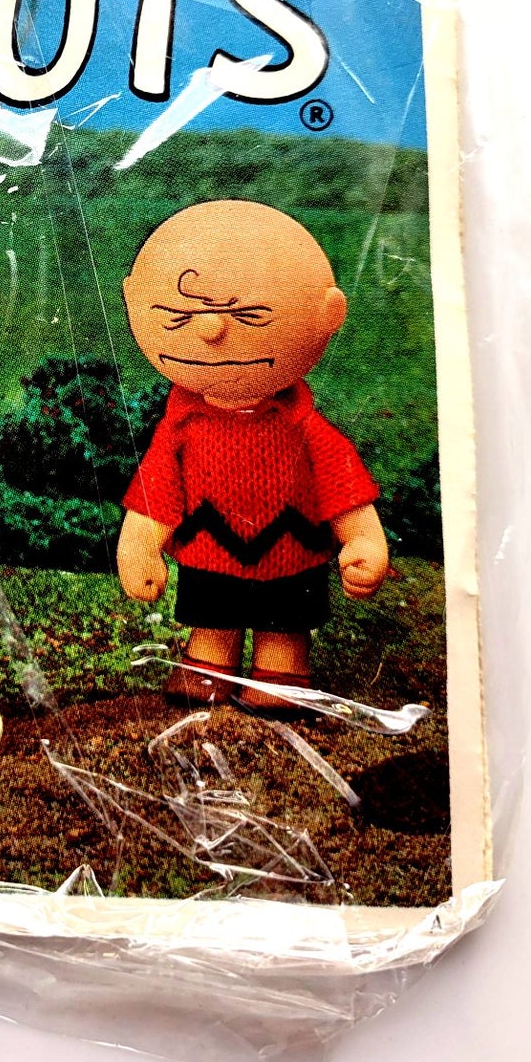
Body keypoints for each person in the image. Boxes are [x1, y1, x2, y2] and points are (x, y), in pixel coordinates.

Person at [115, 201, 391, 714]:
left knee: (284, 622)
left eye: (247, 316)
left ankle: (281, 673)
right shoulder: (181, 428)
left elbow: (343, 485)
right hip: (209, 553)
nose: (210, 331)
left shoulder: (305, 428)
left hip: (293, 552)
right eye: (180, 316)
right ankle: (209, 664)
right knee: (212, 616)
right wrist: (139, 547)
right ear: (134, 302)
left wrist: (363, 539)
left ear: (329, 314)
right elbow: (157, 491)